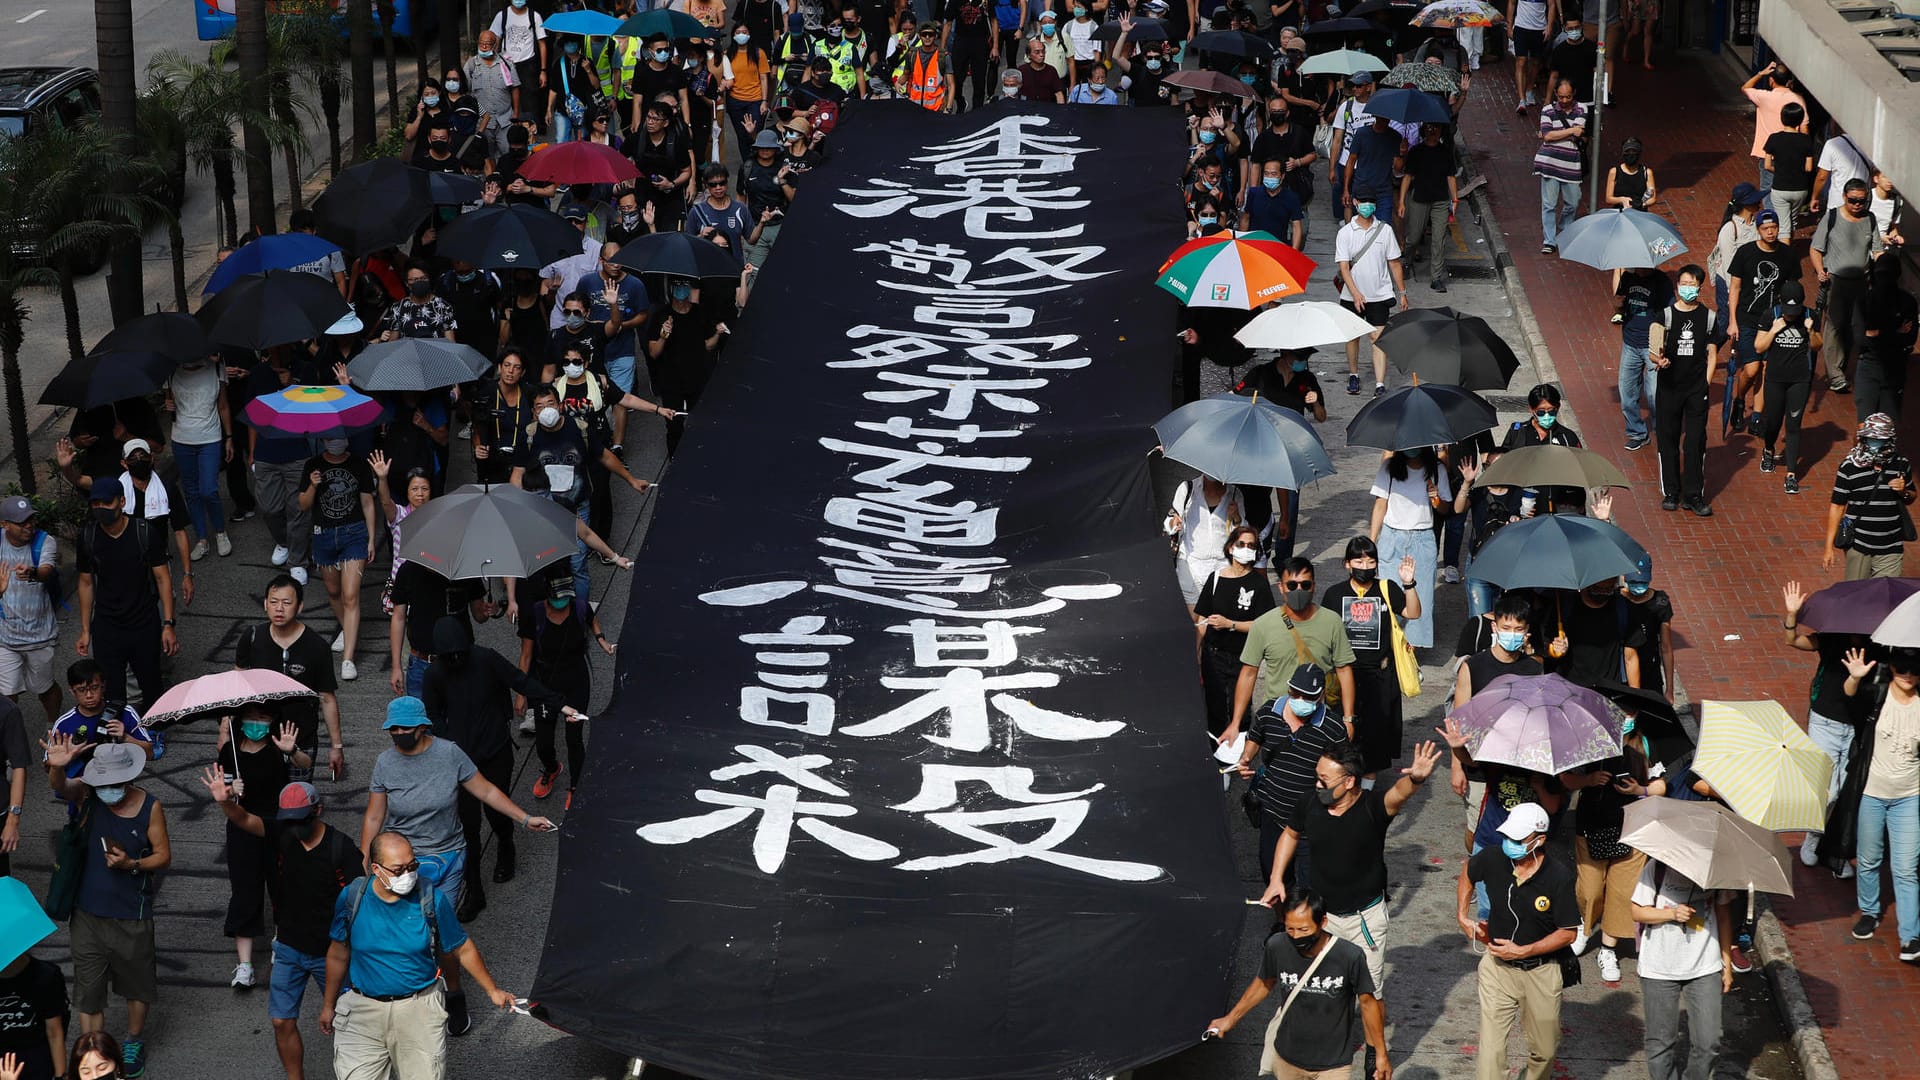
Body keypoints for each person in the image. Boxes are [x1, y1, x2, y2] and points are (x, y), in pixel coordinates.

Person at [360, 697, 555, 1034]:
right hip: (403, 865)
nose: (398, 734)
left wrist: (525, 819)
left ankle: (454, 994)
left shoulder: (449, 754)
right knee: (412, 934)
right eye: (393, 729)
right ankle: (412, 999)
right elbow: (375, 814)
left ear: (423, 727)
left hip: (448, 859)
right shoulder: (385, 763)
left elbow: (486, 791)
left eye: (404, 728)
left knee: (442, 934)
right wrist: (366, 860)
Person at [200, 776, 360, 1080]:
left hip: (332, 953)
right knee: (281, 1021)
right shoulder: (282, 832)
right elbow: (245, 819)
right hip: (288, 948)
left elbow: (358, 902)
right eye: (288, 820)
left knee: (350, 1024)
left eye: (300, 819)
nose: (293, 827)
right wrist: (223, 801)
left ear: (318, 810)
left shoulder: (342, 849)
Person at [321, 832, 519, 1076]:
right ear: (375, 868)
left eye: (412, 865)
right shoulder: (352, 898)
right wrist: (328, 1005)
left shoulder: (432, 900)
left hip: (418, 1010)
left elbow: (462, 948)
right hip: (362, 1013)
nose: (408, 875)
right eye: (398, 869)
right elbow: (338, 953)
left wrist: (492, 990)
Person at [1263, 741, 1442, 1005]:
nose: (1317, 785)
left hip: (1364, 920)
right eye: (1317, 777)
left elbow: (1398, 794)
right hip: (1321, 918)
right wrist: (1276, 878)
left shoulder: (1373, 808)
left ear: (1348, 781)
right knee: (1321, 989)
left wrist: (1415, 778)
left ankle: (1376, 1047)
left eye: (1324, 780)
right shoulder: (1309, 802)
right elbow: (1290, 833)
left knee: (1369, 994)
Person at [422, 615, 575, 915]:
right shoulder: (434, 675)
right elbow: (432, 714)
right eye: (448, 656)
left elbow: (520, 680)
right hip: (460, 760)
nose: (454, 660)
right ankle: (474, 891)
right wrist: (446, 743)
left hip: (495, 751)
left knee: (496, 811)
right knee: (468, 828)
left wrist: (558, 703)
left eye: (458, 654)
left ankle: (506, 843)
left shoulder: (485, 659)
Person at [39, 741, 169, 1079]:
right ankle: (92, 1050)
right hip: (87, 913)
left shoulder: (150, 807)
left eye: (115, 783)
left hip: (132, 913)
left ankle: (134, 1041)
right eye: (103, 783)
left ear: (129, 778)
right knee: (89, 991)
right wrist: (57, 766)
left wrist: (132, 863)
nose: (108, 790)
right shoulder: (88, 794)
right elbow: (61, 786)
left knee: (136, 986)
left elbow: (162, 855)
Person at [1204, 890, 1389, 1080]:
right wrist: (1231, 1018)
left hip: (1334, 1065)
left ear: (1323, 922)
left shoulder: (1349, 956)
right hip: (1287, 1058)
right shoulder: (1277, 946)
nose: (1296, 936)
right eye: (1290, 929)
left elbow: (1368, 1004)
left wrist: (1380, 1054)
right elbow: (1264, 983)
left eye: (1304, 930)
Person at [1457, 802, 1577, 1080]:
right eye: (1508, 836)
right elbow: (1467, 872)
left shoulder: (1558, 877)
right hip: (1496, 969)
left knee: (1544, 1051)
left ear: (1540, 840)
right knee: (1490, 1054)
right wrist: (1462, 915)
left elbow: (1568, 933)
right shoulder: (1492, 857)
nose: (1509, 843)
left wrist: (1524, 950)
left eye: (1517, 839)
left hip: (1541, 973)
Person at [210, 706, 307, 991]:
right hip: (242, 826)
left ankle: (282, 943)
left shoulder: (279, 746)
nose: (258, 723)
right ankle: (245, 965)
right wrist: (230, 791)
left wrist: (292, 751)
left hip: (278, 825)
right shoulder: (230, 750)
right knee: (244, 890)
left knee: (281, 885)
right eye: (253, 718)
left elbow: (304, 762)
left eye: (264, 718)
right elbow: (222, 790)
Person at [1234, 664, 1352, 885]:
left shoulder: (1333, 728)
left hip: (1313, 821)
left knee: (1312, 884)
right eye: (1294, 693)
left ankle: (1304, 920)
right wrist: (1246, 757)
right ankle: (1282, 919)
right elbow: (1255, 737)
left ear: (1320, 696)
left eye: (1307, 696)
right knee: (1274, 876)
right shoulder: (1269, 712)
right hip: (1273, 814)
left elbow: (1344, 770)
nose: (1299, 699)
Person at [1225, 558, 1358, 747]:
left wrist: (1348, 719)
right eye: (1292, 585)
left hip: (1320, 717)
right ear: (1281, 587)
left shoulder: (1332, 621)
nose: (1299, 590)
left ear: (1314, 586)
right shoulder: (1263, 625)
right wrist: (1235, 723)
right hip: (1277, 720)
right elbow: (1248, 673)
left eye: (1305, 584)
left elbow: (1344, 670)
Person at [1841, 646, 1920, 958]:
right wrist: (1854, 677)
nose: (1908, 675)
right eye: (1902, 669)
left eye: (1914, 670)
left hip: (1909, 797)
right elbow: (1851, 699)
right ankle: (1870, 913)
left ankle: (1910, 937)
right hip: (1872, 794)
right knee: (1869, 859)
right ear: (1891, 669)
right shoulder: (1876, 696)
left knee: (1906, 868)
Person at [1449, 594, 1544, 850]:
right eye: (1506, 628)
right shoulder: (1473, 667)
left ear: (1527, 632)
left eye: (1518, 629)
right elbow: (1458, 722)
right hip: (1479, 766)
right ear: (1494, 627)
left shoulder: (1534, 670)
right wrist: (1457, 766)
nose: (1511, 634)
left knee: (1517, 829)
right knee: (1477, 827)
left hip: (1519, 766)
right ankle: (1474, 869)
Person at [1324, 537, 1421, 776]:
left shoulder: (1386, 589)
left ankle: (1367, 789)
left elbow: (1413, 612)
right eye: (1359, 560)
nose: (1365, 566)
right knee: (1343, 732)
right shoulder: (1334, 594)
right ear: (1347, 563)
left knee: (1376, 738)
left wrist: (1408, 584)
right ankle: (1344, 779)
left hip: (1380, 675)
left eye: (1370, 561)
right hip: (1344, 675)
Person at [74, 480, 176, 709]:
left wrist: (168, 624)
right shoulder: (88, 537)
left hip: (143, 622)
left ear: (122, 502)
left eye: (107, 502)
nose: (101, 508)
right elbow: (86, 582)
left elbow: (162, 578)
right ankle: (117, 737)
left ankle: (155, 731)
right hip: (107, 625)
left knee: (151, 682)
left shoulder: (144, 532)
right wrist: (85, 630)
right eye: (96, 503)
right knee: (111, 689)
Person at [234, 573, 345, 783]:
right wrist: (225, 730)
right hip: (258, 737)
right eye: (274, 602)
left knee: (296, 802)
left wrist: (336, 746)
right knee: (259, 799)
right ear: (265, 604)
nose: (279, 608)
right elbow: (237, 685)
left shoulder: (317, 647)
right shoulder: (252, 637)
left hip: (301, 736)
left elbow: (327, 698)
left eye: (286, 602)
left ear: (299, 607)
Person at [1632, 858, 1734, 1080]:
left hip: (1705, 965)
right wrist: (1671, 914)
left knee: (1709, 1041)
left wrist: (1726, 964)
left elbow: (1724, 917)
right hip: (1658, 968)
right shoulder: (1656, 868)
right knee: (1660, 1043)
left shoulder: (1718, 872)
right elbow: (1637, 912)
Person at [519, 572, 613, 808]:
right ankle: (551, 768)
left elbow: (592, 620)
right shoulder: (535, 614)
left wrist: (601, 639)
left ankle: (576, 786)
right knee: (543, 742)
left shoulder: (580, 608)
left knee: (573, 738)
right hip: (544, 685)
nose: (563, 603)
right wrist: (521, 693)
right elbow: (526, 655)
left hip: (576, 682)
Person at [297, 439, 376, 681]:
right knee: (333, 592)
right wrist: (312, 485)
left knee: (350, 595)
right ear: (323, 439)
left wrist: (371, 539)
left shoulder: (359, 464)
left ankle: (348, 658)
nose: (335, 441)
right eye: (330, 437)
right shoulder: (313, 464)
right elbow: (302, 505)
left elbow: (367, 502)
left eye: (339, 436)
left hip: (354, 534)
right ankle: (349, 628)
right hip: (323, 536)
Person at [1648, 264, 1721, 515]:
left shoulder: (1709, 318)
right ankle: (1671, 492)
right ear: (1677, 285)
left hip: (1696, 390)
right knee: (1667, 440)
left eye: (1693, 284)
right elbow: (1653, 350)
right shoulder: (1664, 316)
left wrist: (1706, 383)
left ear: (1700, 286)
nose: (1687, 288)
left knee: (1695, 442)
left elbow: (1712, 354)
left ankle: (1693, 495)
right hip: (1669, 389)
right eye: (1684, 283)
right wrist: (1660, 360)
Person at [1368, 450, 1455, 652]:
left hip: (1422, 538)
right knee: (1388, 595)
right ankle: (1388, 650)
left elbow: (1444, 508)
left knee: (1422, 596)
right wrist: (1372, 540)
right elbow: (1381, 503)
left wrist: (1435, 497)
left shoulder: (1437, 469)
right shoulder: (1388, 467)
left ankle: (1410, 655)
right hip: (1391, 537)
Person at [1192, 526, 1275, 738]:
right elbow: (1202, 617)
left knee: (1242, 709)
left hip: (1244, 656)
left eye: (1251, 546)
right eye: (1241, 544)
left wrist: (1231, 624)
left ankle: (1240, 752)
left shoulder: (1259, 584)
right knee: (1215, 706)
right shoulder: (1216, 578)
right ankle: (1217, 754)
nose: (1245, 549)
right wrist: (1197, 652)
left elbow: (1264, 625)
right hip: (1214, 654)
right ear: (1230, 548)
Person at [1812, 178, 1886, 396]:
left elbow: (1877, 250)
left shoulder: (1869, 219)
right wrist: (1819, 271)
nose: (1857, 205)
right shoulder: (1832, 217)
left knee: (1853, 327)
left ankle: (1841, 369)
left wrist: (1882, 272)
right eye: (1853, 200)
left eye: (1862, 201)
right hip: (1836, 281)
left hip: (1861, 283)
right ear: (1844, 197)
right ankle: (1835, 376)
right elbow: (1816, 249)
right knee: (1834, 326)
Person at [1725, 210, 1798, 429]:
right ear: (1758, 230)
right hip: (1747, 319)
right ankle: (1739, 400)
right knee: (1751, 369)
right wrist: (1732, 321)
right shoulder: (1745, 253)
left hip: (1773, 321)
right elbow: (1735, 288)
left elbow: (1793, 289)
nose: (1770, 232)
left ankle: (1757, 416)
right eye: (1765, 228)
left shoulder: (1788, 255)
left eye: (1773, 227)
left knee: (1766, 369)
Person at [1824, 412, 1914, 580]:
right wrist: (1828, 547)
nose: (1875, 444)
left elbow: (1911, 496)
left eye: (1880, 440)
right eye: (1872, 439)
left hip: (1891, 546)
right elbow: (1837, 506)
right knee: (1857, 596)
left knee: (1886, 597)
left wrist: (1904, 491)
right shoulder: (1848, 467)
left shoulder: (1901, 463)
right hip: (1859, 545)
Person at [162, 353, 233, 562]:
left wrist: (229, 437)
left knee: (209, 489)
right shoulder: (171, 370)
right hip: (182, 438)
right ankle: (202, 539)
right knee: (191, 491)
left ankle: (220, 532)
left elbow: (223, 405)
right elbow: (170, 404)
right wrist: (168, 406)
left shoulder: (217, 367)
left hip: (210, 437)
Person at [0, 496, 64, 725]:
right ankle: (6, 745)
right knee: (6, 696)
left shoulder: (44, 541)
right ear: (4, 524)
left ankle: (53, 727)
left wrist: (33, 573)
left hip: (40, 636)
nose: (29, 525)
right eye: (21, 522)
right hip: (5, 638)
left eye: (31, 519)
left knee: (45, 689)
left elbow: (47, 570)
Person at [1334, 198, 1407, 397]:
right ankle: (1353, 375)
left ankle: (1379, 384)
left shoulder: (1385, 231)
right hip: (1351, 296)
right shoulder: (1345, 233)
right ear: (1356, 203)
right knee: (1353, 338)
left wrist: (1402, 292)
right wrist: (1356, 294)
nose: (1367, 206)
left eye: (1370, 203)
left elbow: (1394, 263)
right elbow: (1344, 268)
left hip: (1380, 295)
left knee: (1377, 338)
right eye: (1363, 202)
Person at [0, 875, 67, 1080]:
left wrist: (60, 1076)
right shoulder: (46, 974)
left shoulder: (47, 977)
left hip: (37, 1059)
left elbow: (55, 1032)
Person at [1755, 279, 1817, 495]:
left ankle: (1791, 474)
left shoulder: (1810, 316)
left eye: (1795, 311)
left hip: (1799, 379)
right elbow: (1758, 346)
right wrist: (1773, 331)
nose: (1791, 315)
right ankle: (1769, 449)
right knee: (1773, 421)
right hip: (1775, 378)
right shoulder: (1769, 315)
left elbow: (1818, 345)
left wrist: (1811, 332)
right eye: (1788, 311)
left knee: (1793, 424)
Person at [1614, 263, 1672, 453]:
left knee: (1654, 395)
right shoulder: (1629, 276)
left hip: (1653, 345)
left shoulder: (1662, 282)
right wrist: (1617, 265)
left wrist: (1664, 345)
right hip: (1630, 343)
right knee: (1627, 393)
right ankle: (1637, 433)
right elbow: (1616, 291)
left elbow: (1670, 313)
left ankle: (1660, 429)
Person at [1167, 475, 1246, 609]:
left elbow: (1242, 533)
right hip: (1190, 564)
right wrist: (1174, 523)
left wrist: (1236, 517)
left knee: (1219, 619)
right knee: (1194, 622)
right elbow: (1169, 523)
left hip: (1223, 566)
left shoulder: (1234, 493)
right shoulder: (1187, 489)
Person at [1399, 124, 1456, 293]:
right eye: (1430, 128)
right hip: (1419, 199)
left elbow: (1451, 176)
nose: (1433, 131)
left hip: (1440, 201)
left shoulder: (1445, 151)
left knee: (1439, 239)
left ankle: (1436, 277)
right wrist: (1402, 201)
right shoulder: (1416, 151)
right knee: (1413, 237)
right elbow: (1407, 177)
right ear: (1424, 130)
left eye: (1436, 128)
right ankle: (1407, 262)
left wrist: (1455, 199)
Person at [1533, 80, 1585, 254]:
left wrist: (1555, 134)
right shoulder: (1547, 110)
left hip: (1571, 165)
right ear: (1556, 94)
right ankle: (1549, 240)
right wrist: (1571, 131)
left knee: (1573, 201)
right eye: (1561, 97)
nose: (1564, 100)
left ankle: (1564, 226)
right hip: (1549, 164)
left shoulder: (1582, 108)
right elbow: (1548, 136)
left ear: (1574, 93)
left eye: (1568, 97)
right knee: (1549, 205)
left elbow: (1579, 131)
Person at [1741, 62, 1804, 195]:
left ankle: (1772, 215)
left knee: (1767, 189)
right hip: (1791, 151)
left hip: (1767, 152)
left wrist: (1761, 73)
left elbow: (1745, 88)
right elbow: (1804, 128)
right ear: (1788, 81)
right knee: (1788, 187)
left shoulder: (1763, 97)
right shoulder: (1798, 99)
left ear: (1771, 80)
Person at [487, 0, 549, 124]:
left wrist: (543, 70)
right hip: (506, 64)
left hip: (528, 65)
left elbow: (542, 44)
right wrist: (493, 63)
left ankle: (531, 133)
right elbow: (496, 39)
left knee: (530, 103)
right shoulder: (502, 16)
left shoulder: (534, 16)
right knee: (505, 99)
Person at [1762, 102, 1816, 233]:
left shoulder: (1774, 139)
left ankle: (1783, 251)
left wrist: (1780, 170)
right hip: (1800, 188)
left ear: (1782, 118)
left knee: (1783, 225)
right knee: (1792, 221)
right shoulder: (1806, 140)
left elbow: (1767, 165)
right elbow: (1808, 168)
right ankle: (1789, 249)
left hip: (1780, 187)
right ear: (1800, 120)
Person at [1343, 114, 1402, 230]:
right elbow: (1351, 161)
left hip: (1383, 191)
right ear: (1375, 116)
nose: (1384, 120)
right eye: (1381, 117)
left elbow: (1397, 167)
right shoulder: (1362, 134)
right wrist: (1346, 189)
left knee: (1384, 230)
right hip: (1362, 189)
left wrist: (1403, 152)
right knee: (1359, 228)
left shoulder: (1395, 137)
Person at [1603, 136, 1656, 210]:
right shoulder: (1614, 172)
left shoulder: (1647, 172)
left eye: (1634, 152)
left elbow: (1653, 198)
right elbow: (1608, 198)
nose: (1631, 155)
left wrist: (1642, 204)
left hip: (1640, 213)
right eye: (1627, 152)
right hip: (1620, 213)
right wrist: (1622, 200)